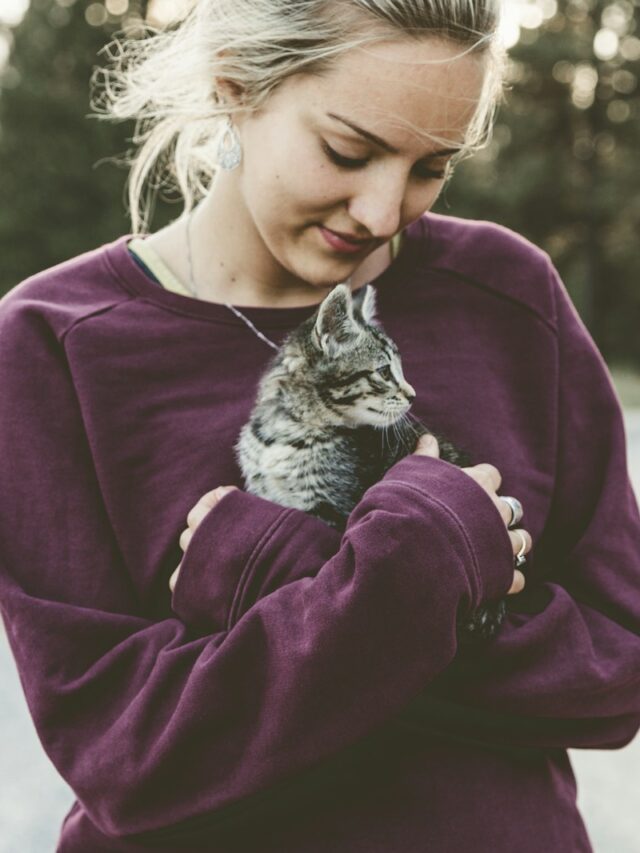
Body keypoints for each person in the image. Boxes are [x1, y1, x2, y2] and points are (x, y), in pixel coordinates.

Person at [0, 1, 638, 850]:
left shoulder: (509, 295)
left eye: (431, 166)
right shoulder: (52, 343)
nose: (382, 211)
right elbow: (131, 755)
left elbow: (616, 668)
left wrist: (279, 572)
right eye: (350, 150)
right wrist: (421, 569)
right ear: (235, 85)